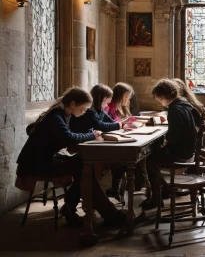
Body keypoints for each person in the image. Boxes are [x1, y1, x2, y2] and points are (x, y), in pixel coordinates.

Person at [16, 87, 126, 227]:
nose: (85, 111)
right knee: (83, 168)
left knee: (83, 164)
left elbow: (68, 135)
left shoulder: (62, 114)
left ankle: (73, 207)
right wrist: (92, 135)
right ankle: (108, 214)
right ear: (73, 104)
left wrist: (90, 134)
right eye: (84, 108)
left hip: (44, 159)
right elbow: (68, 138)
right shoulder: (56, 117)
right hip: (36, 163)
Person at [141, 79, 198, 209]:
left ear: (162, 96)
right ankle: (165, 190)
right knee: (153, 154)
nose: (160, 102)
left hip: (181, 153)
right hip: (188, 150)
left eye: (159, 99)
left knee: (150, 160)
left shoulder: (175, 110)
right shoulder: (184, 104)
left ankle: (157, 198)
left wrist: (164, 143)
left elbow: (174, 137)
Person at [70, 84, 138, 134]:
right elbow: (100, 126)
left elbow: (111, 122)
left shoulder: (101, 110)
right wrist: (120, 125)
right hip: (80, 140)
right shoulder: (90, 110)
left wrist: (122, 125)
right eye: (108, 101)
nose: (108, 104)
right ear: (103, 98)